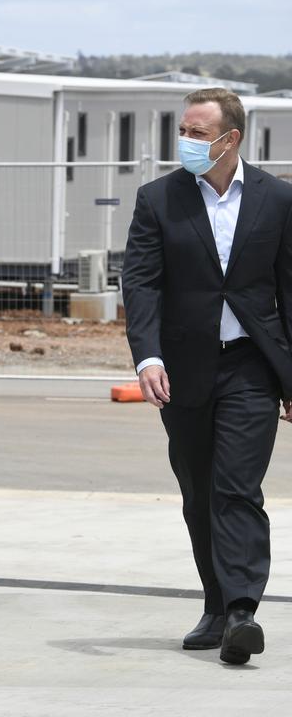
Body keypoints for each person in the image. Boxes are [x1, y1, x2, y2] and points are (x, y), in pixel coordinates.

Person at [122, 88, 292, 666]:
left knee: (235, 488)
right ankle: (217, 606)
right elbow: (141, 283)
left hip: (251, 366)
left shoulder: (277, 200)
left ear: (231, 139)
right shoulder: (158, 199)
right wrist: (147, 356)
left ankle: (244, 610)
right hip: (184, 369)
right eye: (185, 131)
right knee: (198, 493)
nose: (187, 142)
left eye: (198, 133)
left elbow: (288, 292)